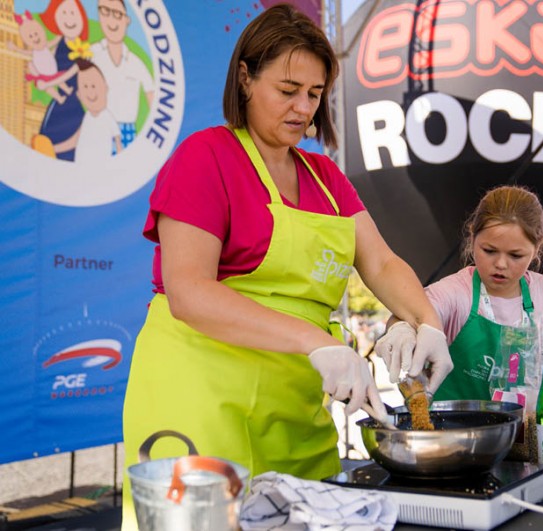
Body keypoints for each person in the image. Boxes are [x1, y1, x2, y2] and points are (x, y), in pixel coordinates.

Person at [121, 4, 451, 529]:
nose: (303, 108)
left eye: (314, 95)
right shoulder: (205, 158)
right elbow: (190, 293)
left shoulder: (325, 177)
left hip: (296, 412)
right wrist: (315, 341)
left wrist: (428, 323)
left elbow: (383, 263)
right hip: (202, 403)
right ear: (246, 78)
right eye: (288, 89)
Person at [376, 185, 543, 400]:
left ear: (537, 248)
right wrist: (401, 329)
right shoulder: (455, 292)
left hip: (527, 431)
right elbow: (410, 313)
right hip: (453, 430)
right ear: (472, 236)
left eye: (516, 255)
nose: (501, 264)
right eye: (489, 251)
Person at [90, 0, 154, 150]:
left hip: (127, 132)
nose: (112, 20)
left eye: (117, 14)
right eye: (105, 11)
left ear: (127, 20)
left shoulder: (136, 63)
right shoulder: (91, 54)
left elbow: (152, 97)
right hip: (96, 130)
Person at [34, 0, 89, 161]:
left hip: (72, 101)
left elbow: (70, 72)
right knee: (45, 143)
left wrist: (48, 83)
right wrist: (37, 71)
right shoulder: (58, 41)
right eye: (63, 13)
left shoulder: (82, 49)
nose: (69, 18)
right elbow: (44, 56)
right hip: (59, 100)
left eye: (72, 13)